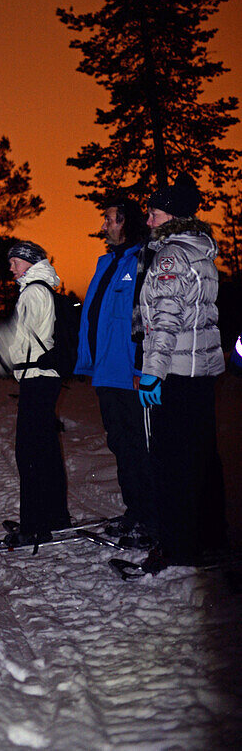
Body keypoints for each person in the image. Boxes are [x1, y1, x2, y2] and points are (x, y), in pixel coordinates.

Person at [137, 172, 227, 572]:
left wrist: (152, 374)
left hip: (176, 372)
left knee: (171, 460)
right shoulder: (201, 251)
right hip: (202, 372)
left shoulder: (172, 255)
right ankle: (209, 539)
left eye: (154, 214)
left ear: (171, 217)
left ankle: (178, 546)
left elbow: (168, 318)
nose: (149, 221)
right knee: (201, 455)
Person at [74, 197, 156, 548]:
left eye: (109, 219)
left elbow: (145, 319)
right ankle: (135, 512)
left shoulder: (143, 260)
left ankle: (153, 517)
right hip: (106, 373)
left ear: (125, 222)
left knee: (141, 446)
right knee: (121, 444)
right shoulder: (106, 263)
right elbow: (95, 317)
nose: (104, 225)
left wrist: (142, 368)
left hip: (131, 374)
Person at [0, 241, 71, 547]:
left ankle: (34, 525)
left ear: (28, 262)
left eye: (14, 261)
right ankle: (54, 516)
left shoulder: (33, 291)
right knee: (44, 449)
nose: (10, 267)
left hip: (36, 377)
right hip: (44, 377)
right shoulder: (41, 288)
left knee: (29, 453)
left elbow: (23, 335)